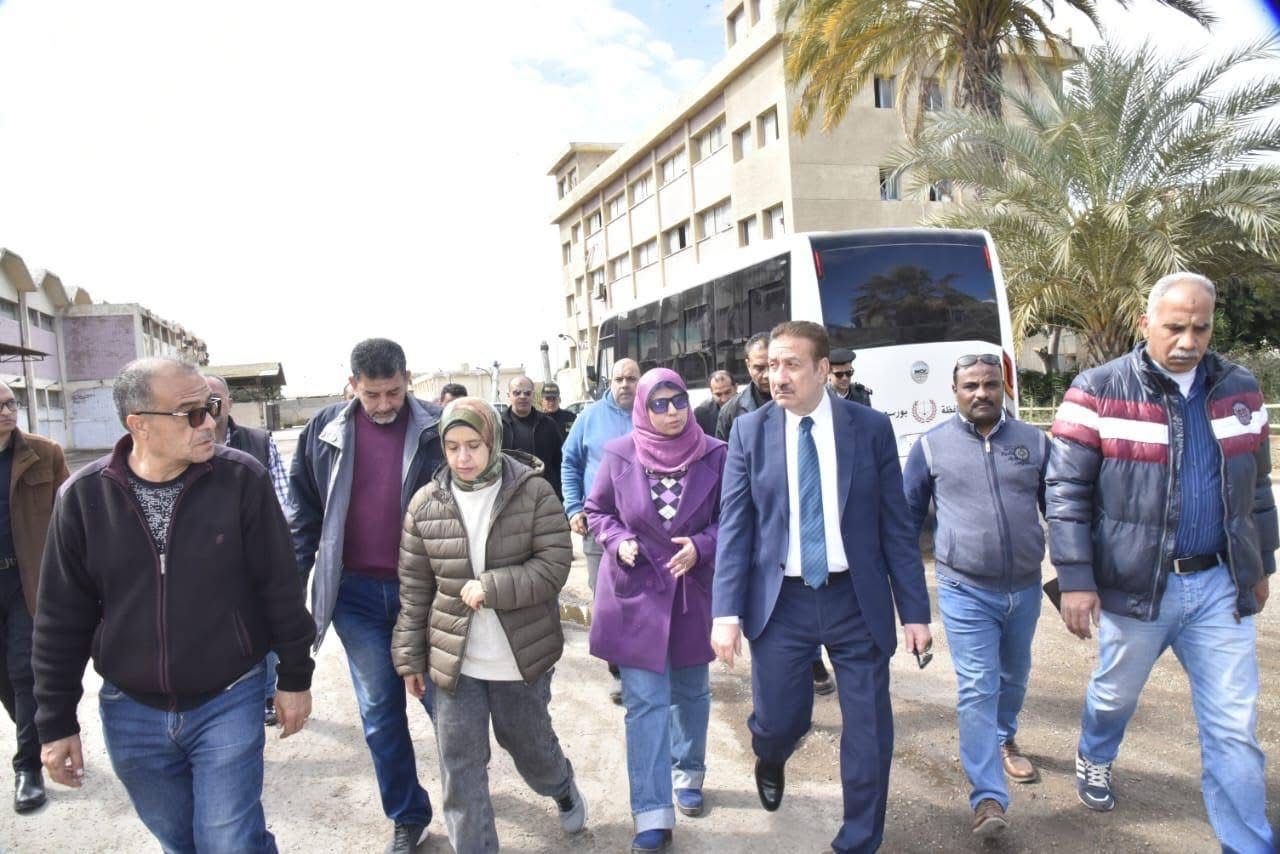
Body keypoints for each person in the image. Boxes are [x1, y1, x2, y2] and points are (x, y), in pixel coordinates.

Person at [34, 357, 314, 852]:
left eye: (211, 408)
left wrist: (294, 676)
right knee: (180, 841)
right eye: (191, 414)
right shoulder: (82, 498)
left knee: (228, 841)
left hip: (229, 696)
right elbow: (60, 620)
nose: (209, 423)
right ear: (139, 424)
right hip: (130, 711)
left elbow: (280, 586)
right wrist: (55, 723)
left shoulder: (241, 479)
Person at [1047, 273, 1276, 853]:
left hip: (1220, 585)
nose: (1188, 341)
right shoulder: (1098, 389)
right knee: (1113, 697)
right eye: (1175, 327)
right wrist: (1075, 579)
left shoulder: (1240, 389)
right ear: (1145, 323)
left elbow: (1257, 489)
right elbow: (1066, 492)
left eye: (1201, 328)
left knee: (1233, 728)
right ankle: (1095, 753)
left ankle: (1247, 844)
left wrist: (1261, 567)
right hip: (1136, 587)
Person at [711, 321, 931, 854]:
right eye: (771, 366)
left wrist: (915, 612)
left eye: (791, 364)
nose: (777, 377)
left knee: (869, 729)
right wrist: (725, 614)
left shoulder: (870, 428)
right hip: (780, 603)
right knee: (779, 722)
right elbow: (735, 528)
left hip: (855, 598)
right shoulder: (750, 431)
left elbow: (896, 526)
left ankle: (859, 839)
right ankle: (771, 753)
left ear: (823, 369)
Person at [393, 398, 586, 852]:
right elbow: (415, 589)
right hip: (455, 662)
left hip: (518, 657)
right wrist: (410, 658)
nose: (463, 457)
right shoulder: (425, 504)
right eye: (453, 447)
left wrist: (492, 587)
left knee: (531, 749)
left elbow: (554, 565)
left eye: (474, 445)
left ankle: (560, 784)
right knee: (460, 767)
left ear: (493, 441)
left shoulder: (533, 493)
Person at [290, 338, 442, 853]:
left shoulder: (438, 427)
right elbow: (303, 517)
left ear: (407, 380)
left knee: (446, 708)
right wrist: (291, 589)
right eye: (371, 394)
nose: (383, 405)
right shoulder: (323, 431)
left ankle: (468, 799)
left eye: (393, 393)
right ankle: (408, 816)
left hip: (425, 595)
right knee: (380, 713)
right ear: (352, 385)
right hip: (355, 599)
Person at [903, 354, 1048, 837]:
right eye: (971, 386)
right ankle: (987, 796)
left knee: (1014, 675)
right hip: (964, 589)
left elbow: (1061, 509)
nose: (981, 393)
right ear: (955, 391)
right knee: (978, 685)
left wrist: (1076, 577)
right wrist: (911, 599)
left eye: (990, 384)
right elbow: (906, 522)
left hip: (1024, 587)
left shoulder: (1034, 442)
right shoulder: (931, 447)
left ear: (1003, 387)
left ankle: (1005, 738)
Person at [587, 368, 727, 853]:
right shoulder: (619, 453)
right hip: (636, 594)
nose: (671, 412)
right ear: (642, 409)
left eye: (679, 401)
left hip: (691, 592)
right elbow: (598, 511)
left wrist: (702, 546)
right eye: (659, 404)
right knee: (644, 703)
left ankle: (689, 770)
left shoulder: (715, 453)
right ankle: (651, 813)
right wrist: (617, 540)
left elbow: (734, 519)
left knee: (691, 692)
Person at [206, 373, 293, 728]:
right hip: (209, 566)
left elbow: (284, 502)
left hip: (255, 558)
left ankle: (268, 694)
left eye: (216, 399)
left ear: (229, 402)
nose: (209, 408)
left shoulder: (257, 442)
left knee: (265, 626)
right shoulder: (179, 446)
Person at [0, 382, 68, 814]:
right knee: (7, 681)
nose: (8, 411)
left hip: (28, 582)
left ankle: (27, 767)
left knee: (26, 672)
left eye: (11, 403)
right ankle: (39, 733)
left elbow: (70, 519)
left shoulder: (45, 454)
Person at [562, 358, 640, 702]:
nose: (625, 385)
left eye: (631, 378)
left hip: (646, 528)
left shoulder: (652, 412)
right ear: (610, 381)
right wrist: (573, 507)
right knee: (608, 601)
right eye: (618, 379)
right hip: (600, 526)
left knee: (644, 601)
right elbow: (570, 462)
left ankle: (646, 669)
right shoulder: (589, 417)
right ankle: (620, 672)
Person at [502, 376, 563, 500]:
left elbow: (560, 461)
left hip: (544, 495)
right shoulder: (498, 425)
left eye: (527, 393)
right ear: (509, 395)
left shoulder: (548, 424)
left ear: (533, 395)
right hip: (510, 496)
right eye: (517, 393)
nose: (522, 396)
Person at [715, 333, 771, 442]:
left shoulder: (798, 402)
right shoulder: (729, 411)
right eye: (759, 368)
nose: (767, 375)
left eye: (772, 366)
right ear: (748, 365)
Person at [693, 370, 735, 436]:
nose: (724, 399)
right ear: (711, 393)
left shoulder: (748, 406)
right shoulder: (701, 414)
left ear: (735, 388)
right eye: (718, 394)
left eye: (727, 392)